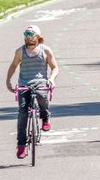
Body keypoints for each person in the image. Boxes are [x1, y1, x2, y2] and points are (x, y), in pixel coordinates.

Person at [5, 24, 59, 159]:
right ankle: (21, 144)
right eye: (26, 34)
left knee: (42, 98)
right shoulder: (20, 51)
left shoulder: (45, 50)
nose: (27, 37)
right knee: (22, 112)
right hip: (24, 84)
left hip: (40, 83)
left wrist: (51, 78)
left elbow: (55, 67)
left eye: (30, 34)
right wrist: (8, 80)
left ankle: (45, 117)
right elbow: (13, 66)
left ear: (38, 36)